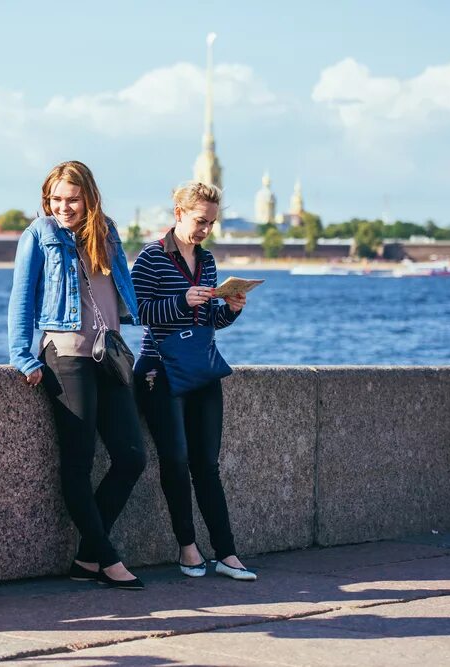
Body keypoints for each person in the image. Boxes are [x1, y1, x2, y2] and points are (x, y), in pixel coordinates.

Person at [8, 160, 147, 589]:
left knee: (131, 457)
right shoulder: (39, 235)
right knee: (78, 463)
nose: (64, 207)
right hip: (65, 355)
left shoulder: (106, 232)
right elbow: (21, 299)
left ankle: (88, 557)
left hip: (109, 355)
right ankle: (107, 558)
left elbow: (122, 290)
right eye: (55, 199)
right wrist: (22, 357)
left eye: (72, 199)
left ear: (89, 197)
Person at [130, 181, 256, 581]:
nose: (205, 229)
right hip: (159, 370)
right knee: (176, 460)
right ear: (179, 214)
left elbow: (206, 322)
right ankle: (187, 548)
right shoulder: (151, 257)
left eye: (211, 223)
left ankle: (227, 553)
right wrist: (181, 301)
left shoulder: (208, 260)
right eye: (201, 221)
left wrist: (231, 309)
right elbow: (137, 313)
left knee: (207, 464)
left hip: (201, 368)